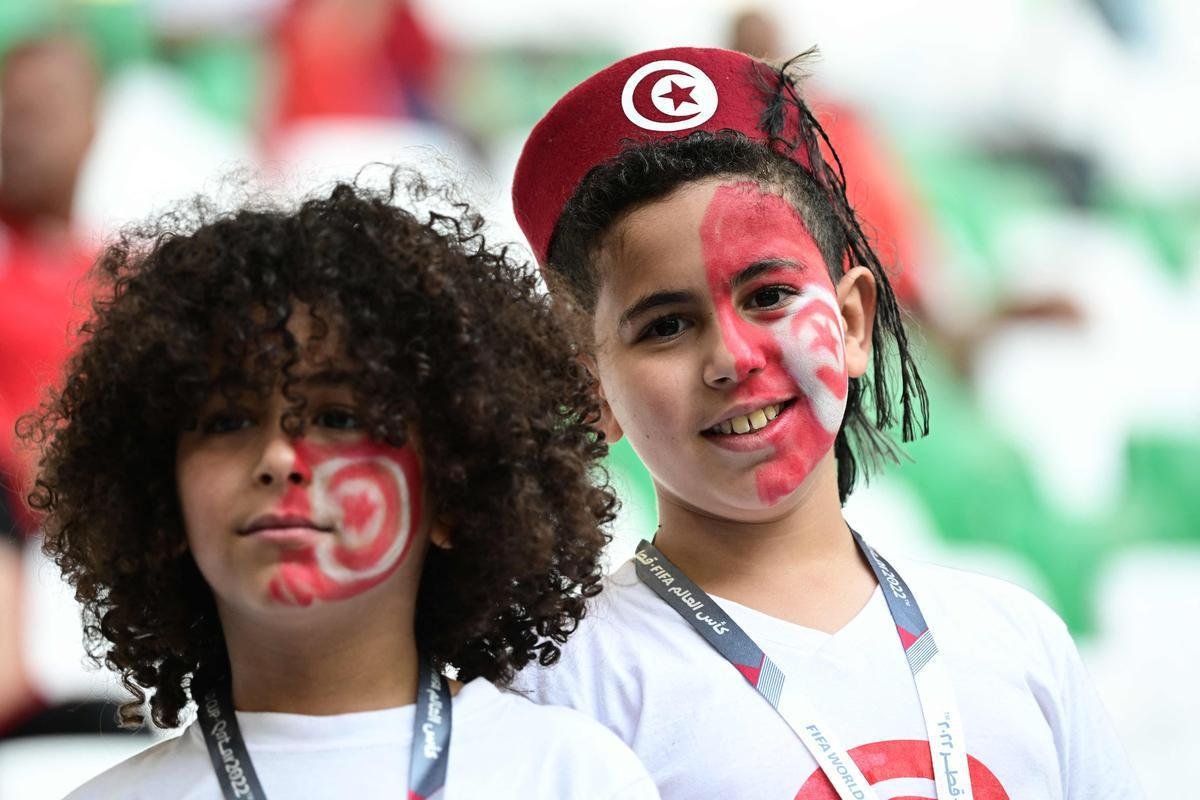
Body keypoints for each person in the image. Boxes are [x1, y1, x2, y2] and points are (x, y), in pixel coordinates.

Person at [509, 46, 1141, 799]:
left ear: (851, 323)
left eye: (769, 296)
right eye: (666, 326)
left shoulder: (1015, 641)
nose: (733, 359)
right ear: (595, 391)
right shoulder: (565, 695)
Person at [26, 176, 660, 799]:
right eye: (227, 421)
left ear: (456, 487)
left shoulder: (575, 777)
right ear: (163, 501)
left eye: (338, 418)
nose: (278, 457)